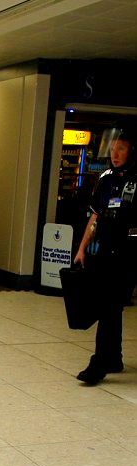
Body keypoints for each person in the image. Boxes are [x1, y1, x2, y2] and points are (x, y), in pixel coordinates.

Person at [74, 129, 137, 385]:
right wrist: (82, 248)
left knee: (109, 305)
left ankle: (99, 363)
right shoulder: (106, 179)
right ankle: (112, 357)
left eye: (121, 148)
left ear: (132, 151)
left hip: (129, 254)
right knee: (112, 305)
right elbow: (95, 216)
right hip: (106, 252)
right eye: (112, 148)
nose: (115, 153)